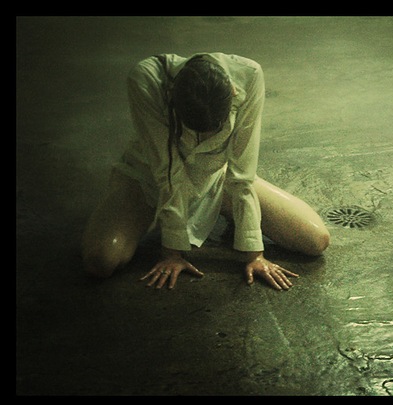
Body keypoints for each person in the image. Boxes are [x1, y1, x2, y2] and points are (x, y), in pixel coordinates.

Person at [81, 52, 330, 291]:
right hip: (149, 180)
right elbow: (168, 172)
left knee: (315, 240)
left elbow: (242, 174)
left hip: (216, 178)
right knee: (100, 261)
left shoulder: (249, 75)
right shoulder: (146, 78)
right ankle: (133, 206)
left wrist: (254, 254)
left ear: (233, 92)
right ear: (170, 96)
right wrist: (172, 252)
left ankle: (227, 211)